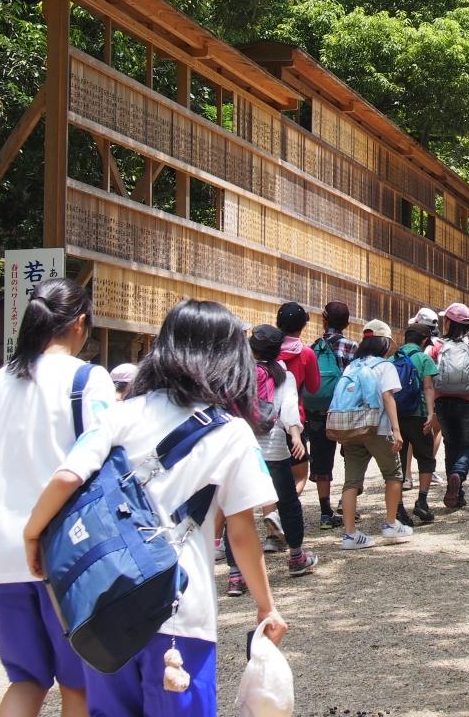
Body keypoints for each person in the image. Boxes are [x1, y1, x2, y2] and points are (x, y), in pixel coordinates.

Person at [22, 299, 287, 716]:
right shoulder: (231, 432)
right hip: (180, 609)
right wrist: (266, 605)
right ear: (229, 357)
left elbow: (68, 476)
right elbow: (240, 533)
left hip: (105, 608)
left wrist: (31, 534)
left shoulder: (120, 414)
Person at [0, 278, 113, 717]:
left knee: (26, 679)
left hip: (0, 555)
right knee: (79, 684)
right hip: (67, 556)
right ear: (79, 323)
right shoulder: (88, 380)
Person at [226, 326, 318, 596]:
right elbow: (289, 410)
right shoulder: (284, 377)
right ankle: (296, 557)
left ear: (250, 348)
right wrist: (296, 436)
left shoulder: (237, 373)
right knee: (288, 503)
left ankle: (236, 575)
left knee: (237, 510)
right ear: (279, 351)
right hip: (275, 447)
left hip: (242, 447)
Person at [339, 329, 412, 548]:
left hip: (352, 429)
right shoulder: (385, 366)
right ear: (384, 343)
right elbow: (388, 396)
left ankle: (350, 534)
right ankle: (390, 524)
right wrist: (396, 430)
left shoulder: (352, 366)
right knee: (393, 474)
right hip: (378, 428)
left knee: (351, 481)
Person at [429, 303, 469, 509]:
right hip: (467, 401)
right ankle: (458, 474)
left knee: (451, 445)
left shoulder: (438, 344)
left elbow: (430, 375)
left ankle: (455, 492)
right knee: (468, 446)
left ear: (448, 322)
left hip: (442, 401)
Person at [311, 301, 357, 529]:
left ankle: (325, 514)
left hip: (318, 412)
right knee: (353, 455)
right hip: (345, 410)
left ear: (324, 319)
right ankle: (346, 503)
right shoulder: (352, 347)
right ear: (347, 323)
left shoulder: (314, 347)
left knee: (321, 461)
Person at [393, 323, 440, 523]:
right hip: (418, 414)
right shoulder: (423, 358)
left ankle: (398, 507)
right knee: (426, 457)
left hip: (396, 416)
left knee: (398, 462)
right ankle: (422, 501)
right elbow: (428, 387)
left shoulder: (392, 358)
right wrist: (430, 414)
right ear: (424, 340)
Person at [275, 302, 320, 502]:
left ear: (278, 323)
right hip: (294, 419)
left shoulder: (266, 349)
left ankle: (272, 510)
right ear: (303, 326)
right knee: (300, 474)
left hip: (264, 418)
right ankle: (285, 509)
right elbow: (314, 387)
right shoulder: (306, 353)